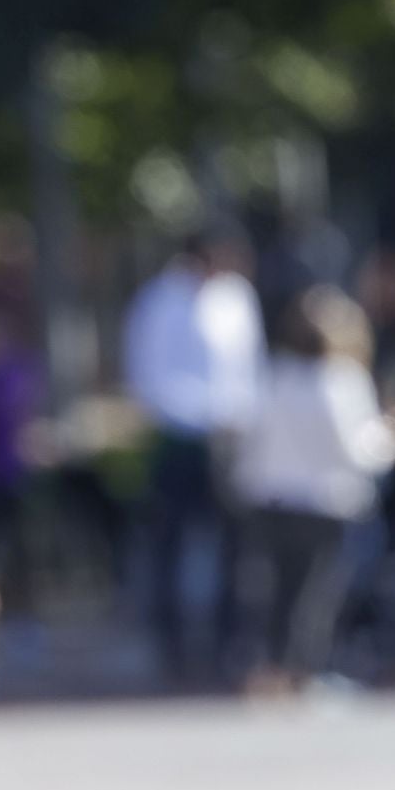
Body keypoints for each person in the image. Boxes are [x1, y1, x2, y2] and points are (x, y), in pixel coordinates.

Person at [234, 286, 395, 694]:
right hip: (325, 501)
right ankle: (304, 675)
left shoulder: (274, 377)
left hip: (272, 499)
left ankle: (274, 670)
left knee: (278, 592)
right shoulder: (343, 381)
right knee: (317, 595)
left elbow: (250, 442)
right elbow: (359, 451)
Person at [122, 223, 265, 681]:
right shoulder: (161, 299)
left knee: (235, 548)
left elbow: (248, 364)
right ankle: (172, 646)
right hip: (180, 436)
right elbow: (148, 371)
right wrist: (193, 415)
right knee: (171, 542)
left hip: (227, 437)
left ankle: (230, 644)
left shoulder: (236, 297)